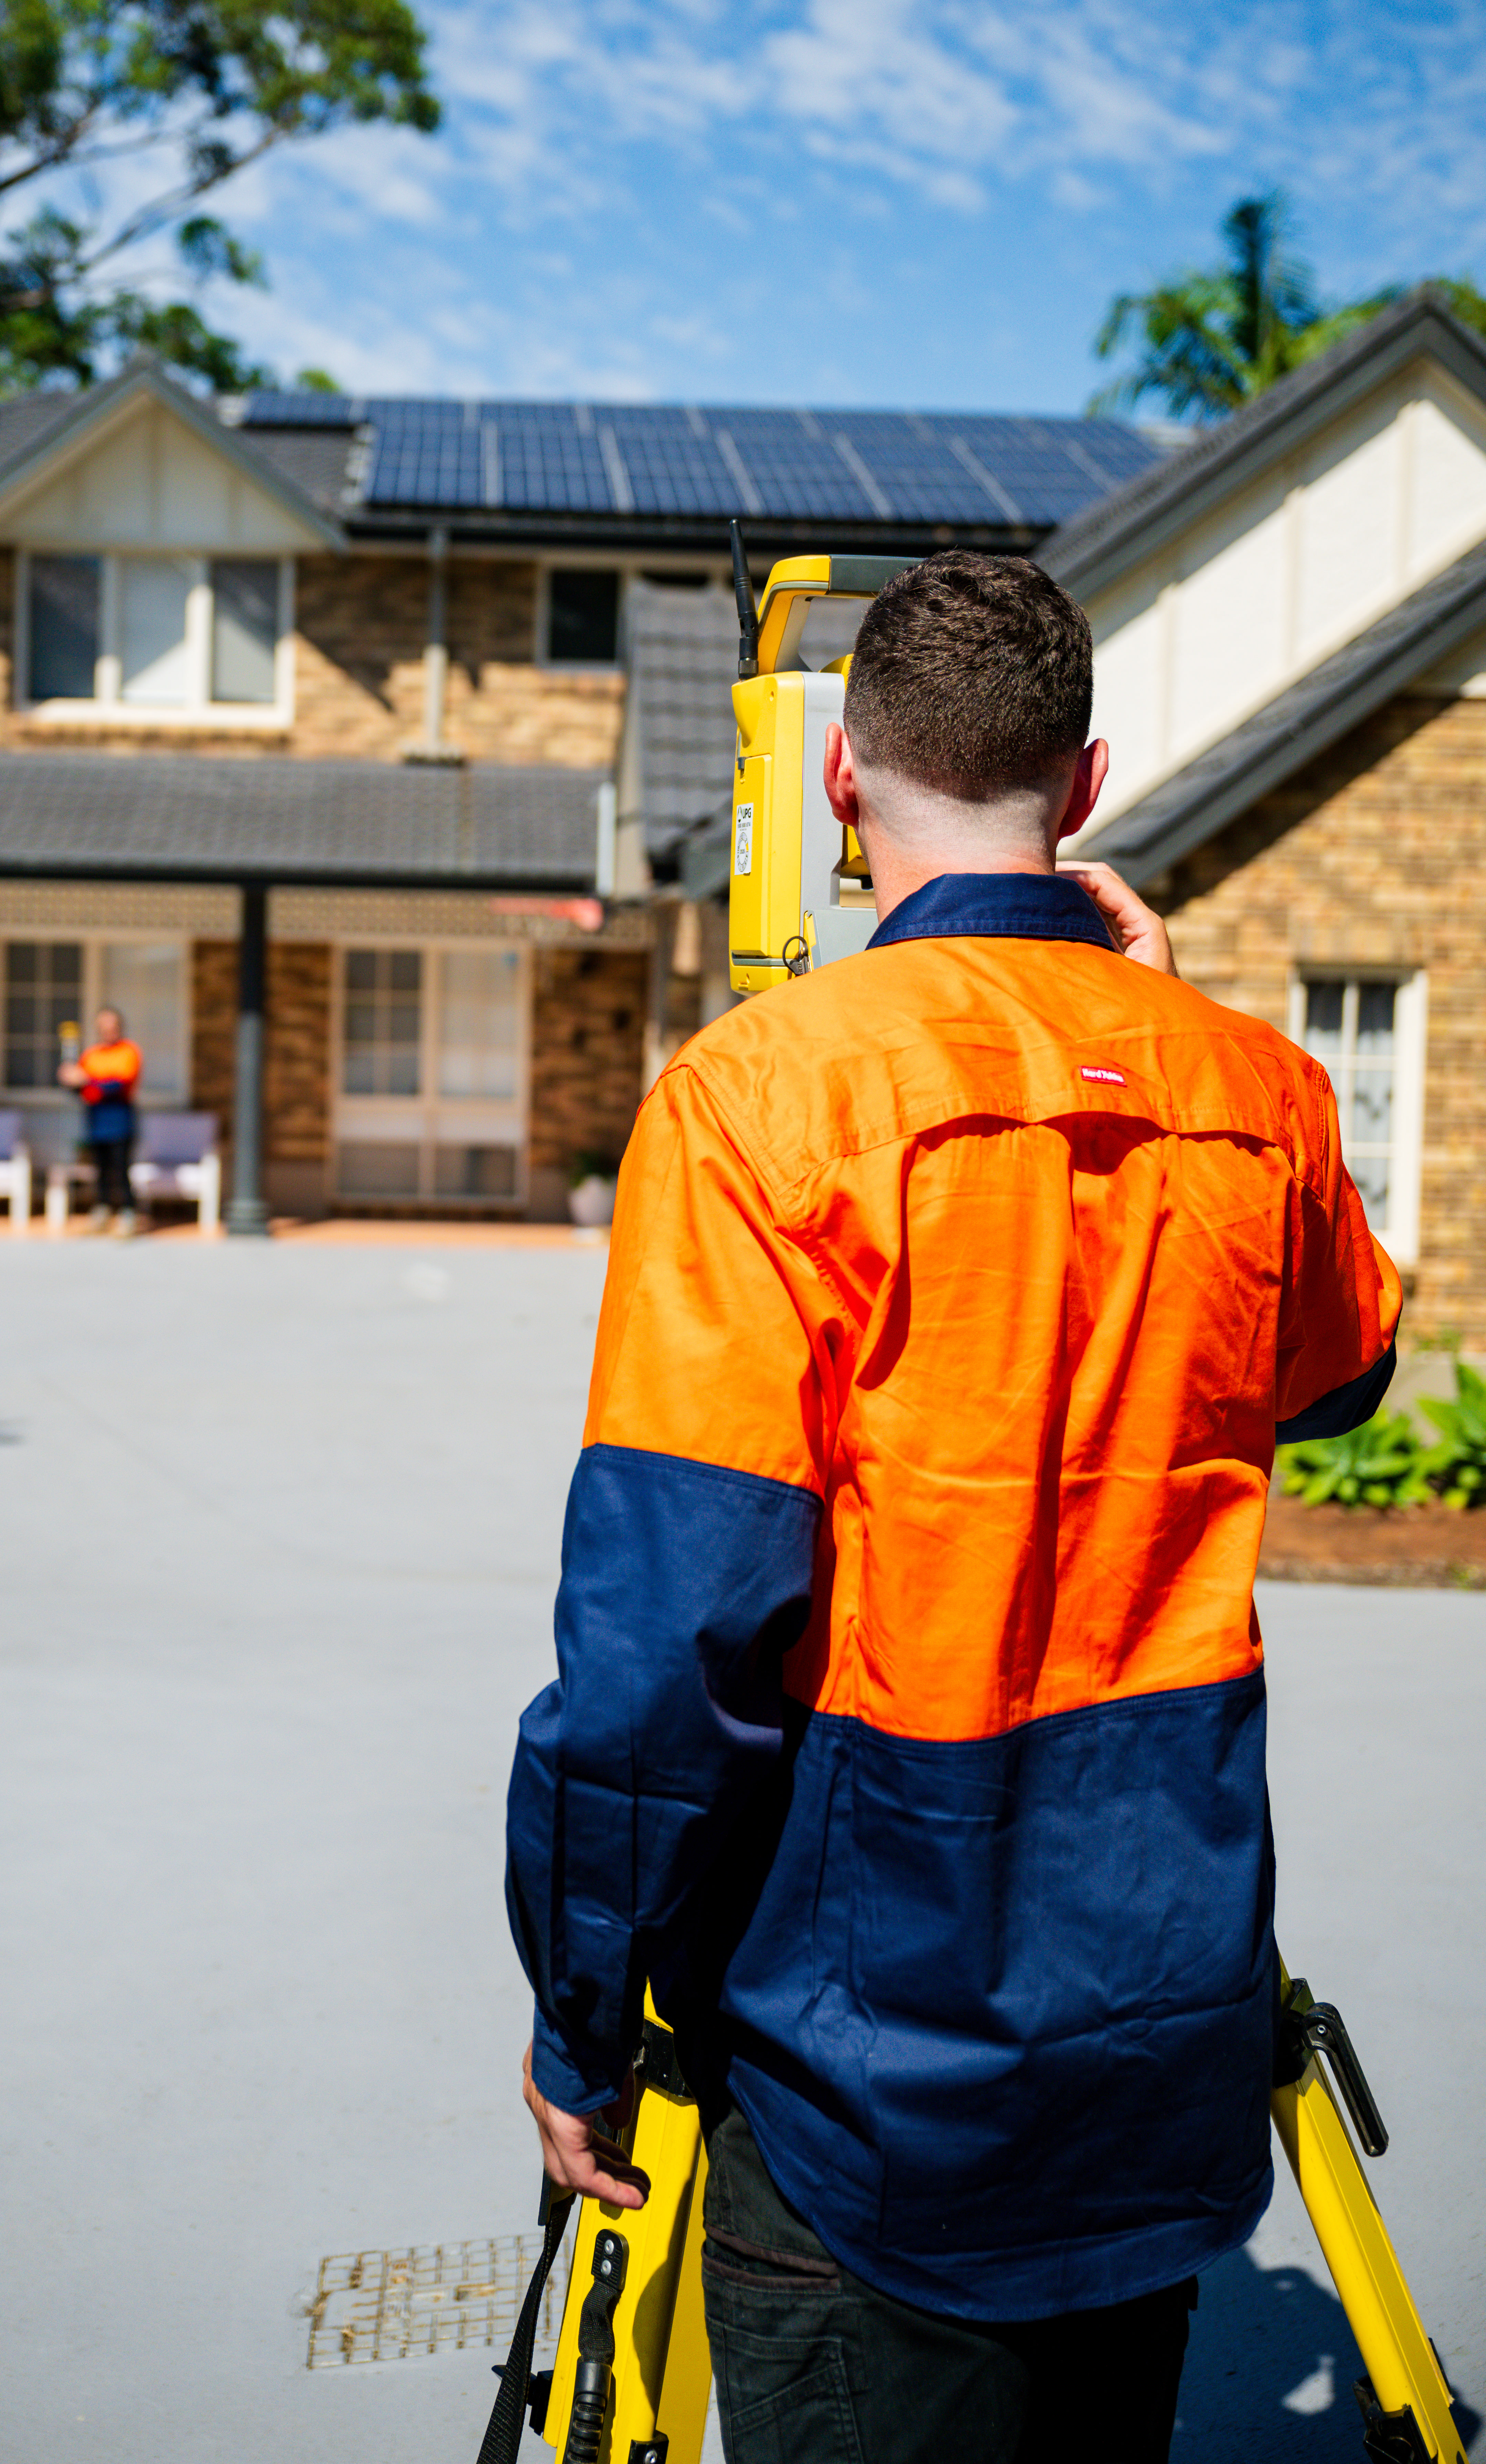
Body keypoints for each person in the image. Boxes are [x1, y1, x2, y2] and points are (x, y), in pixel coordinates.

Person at [504, 551, 1398, 2464]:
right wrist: (1184, 1046)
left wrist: (579, 2012)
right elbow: (1340, 1366)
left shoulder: (757, 1096)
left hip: (862, 2080)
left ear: (838, 779)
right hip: (1158, 2036)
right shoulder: (1259, 1092)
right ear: (1080, 788)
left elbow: (672, 1644)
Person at [57, 1005, 142, 1236]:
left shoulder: (129, 1052)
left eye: (111, 1026)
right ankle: (102, 1212)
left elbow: (117, 1085)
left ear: (119, 1027)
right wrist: (69, 1079)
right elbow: (80, 1089)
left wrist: (86, 1080)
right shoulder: (92, 1055)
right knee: (101, 1170)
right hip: (96, 1120)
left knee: (122, 1169)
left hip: (120, 1119)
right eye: (103, 1027)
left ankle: (128, 1214)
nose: (107, 1031)